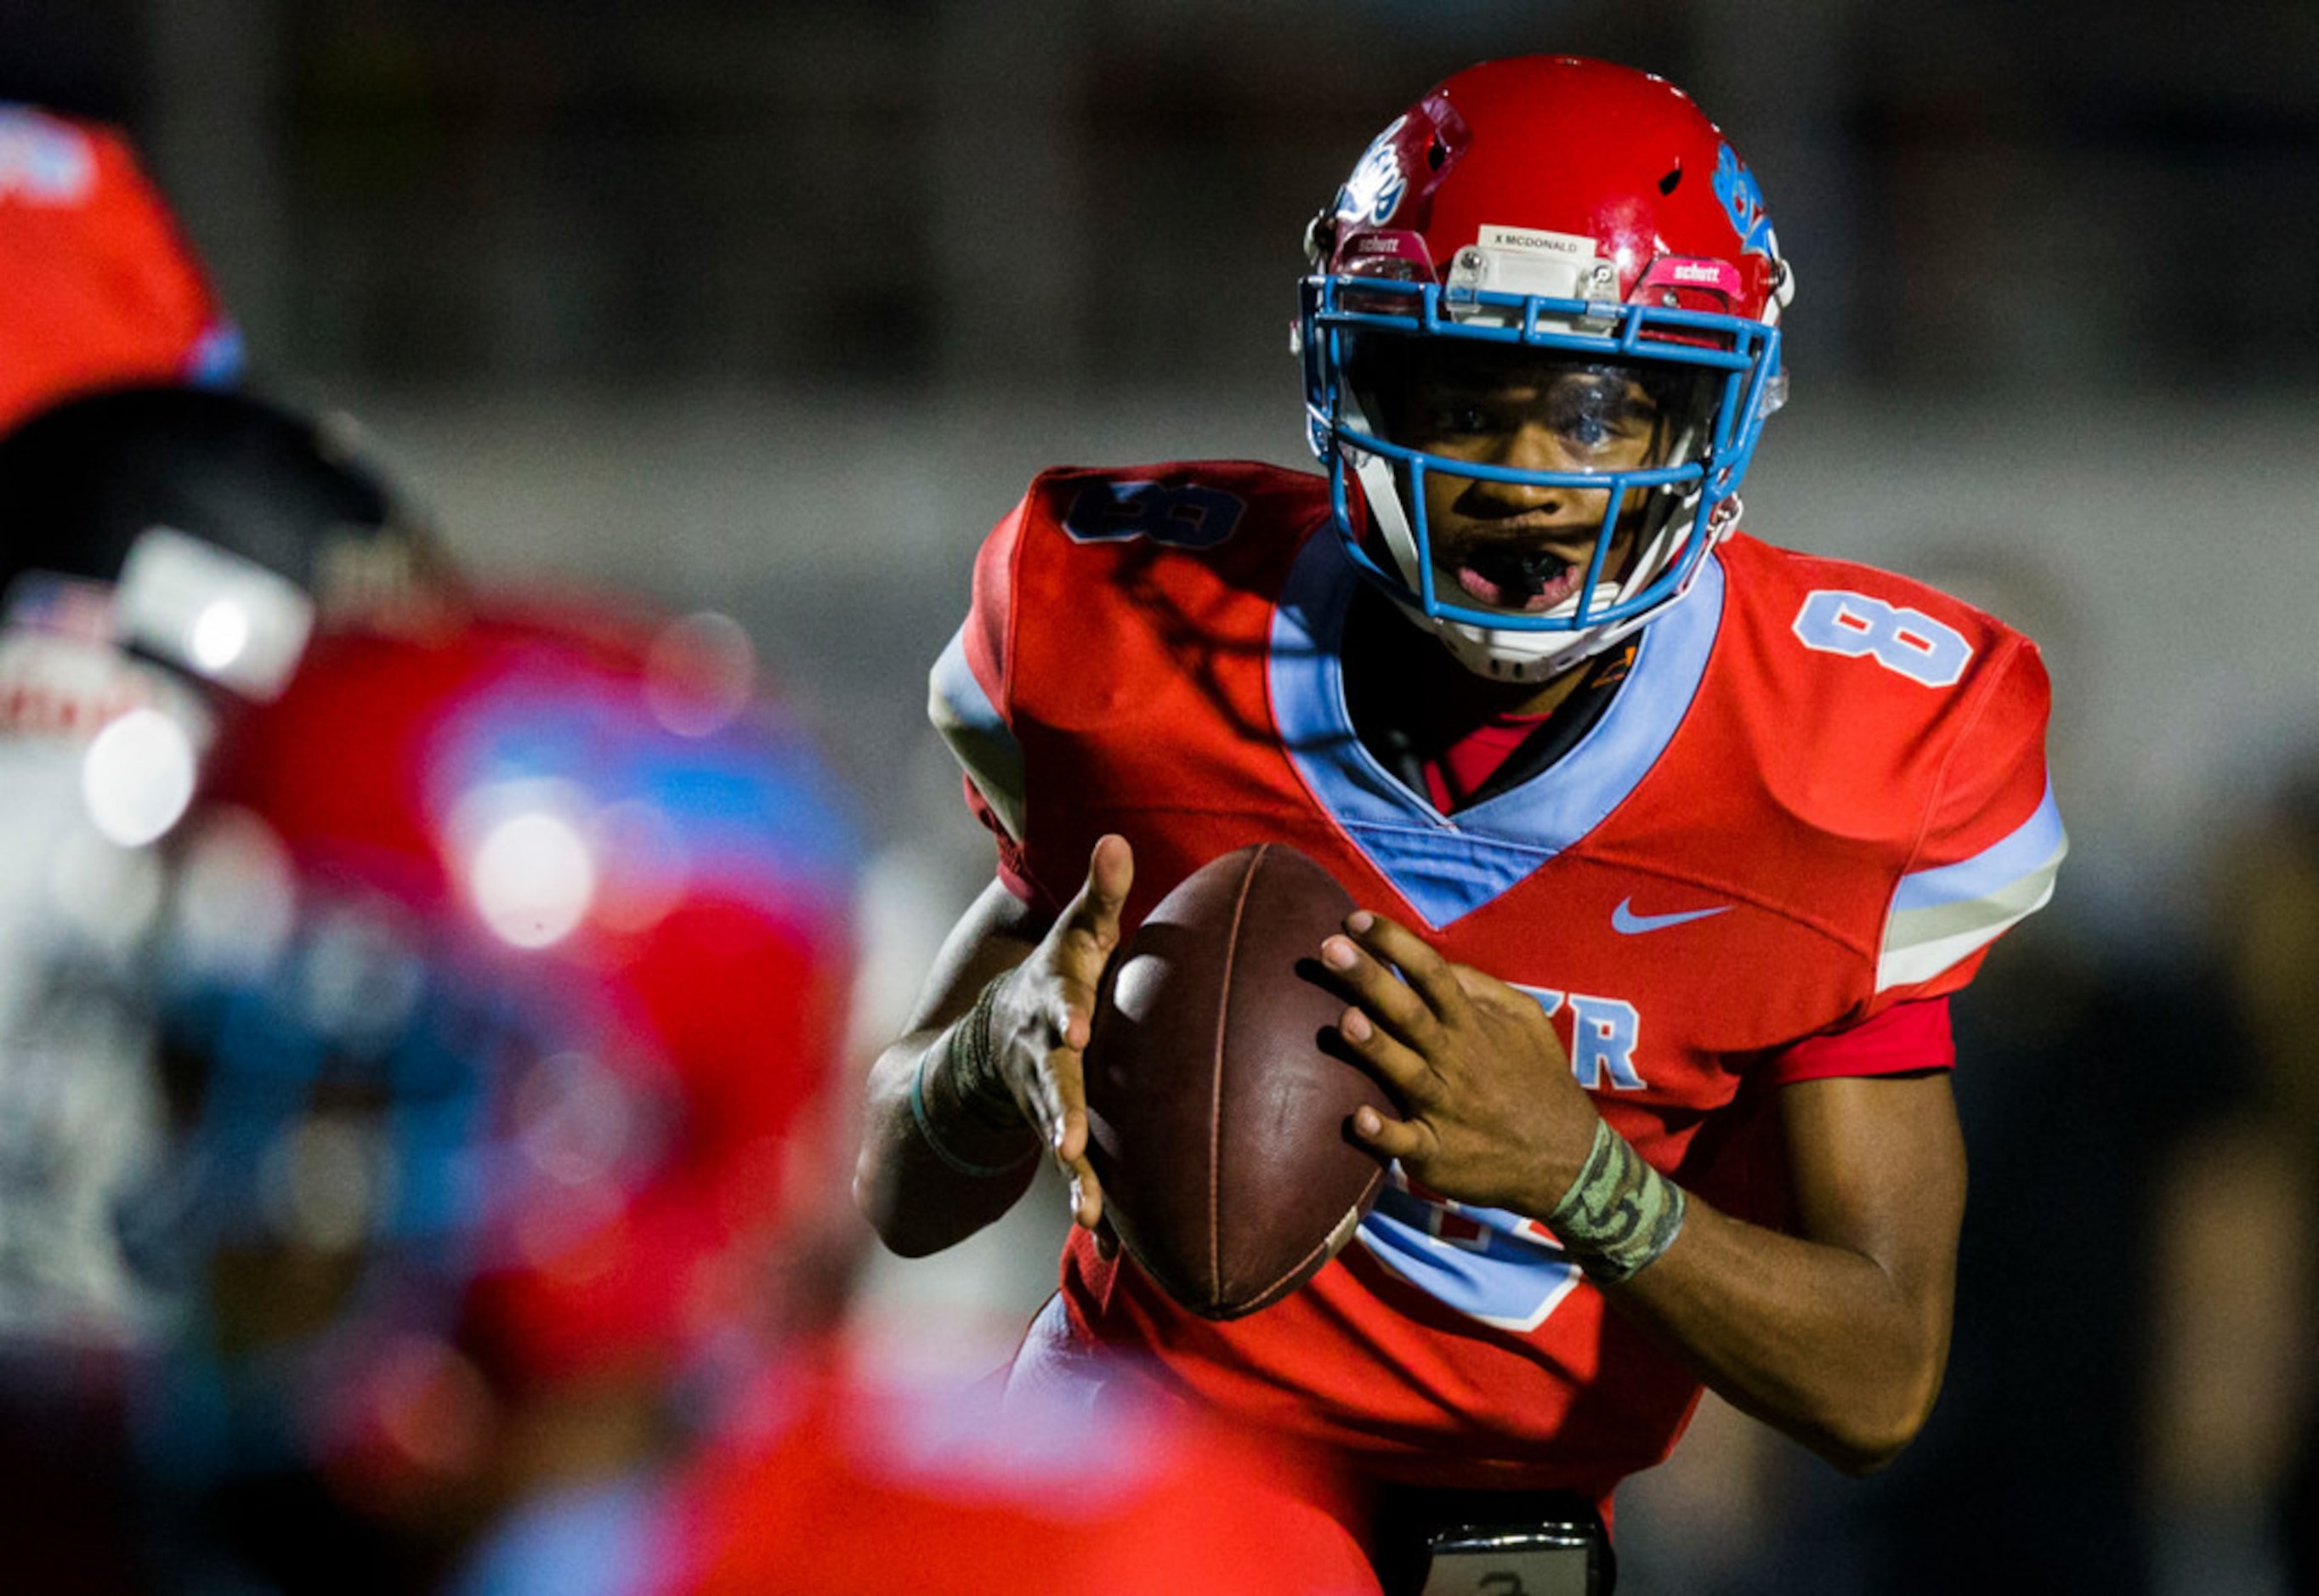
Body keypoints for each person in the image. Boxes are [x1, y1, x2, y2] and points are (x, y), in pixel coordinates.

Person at [853, 54, 2065, 1593]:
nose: (1519, 478)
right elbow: (895, 1193)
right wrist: (992, 1047)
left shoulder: (1840, 750)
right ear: (1351, 381)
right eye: (1463, 400)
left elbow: (1873, 1377)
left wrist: (1576, 1169)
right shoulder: (1133, 639)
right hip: (1148, 1474)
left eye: (1598, 412)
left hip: (1515, 1536)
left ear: (1717, 409)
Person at [0, 102, 241, 433]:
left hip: (110, 438)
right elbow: (200, 337)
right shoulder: (74, 150)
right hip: (126, 440)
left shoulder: (78, 155)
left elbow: (198, 337)